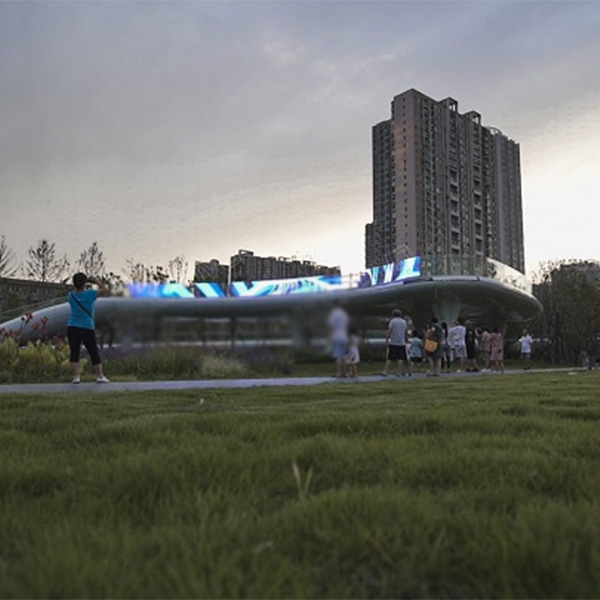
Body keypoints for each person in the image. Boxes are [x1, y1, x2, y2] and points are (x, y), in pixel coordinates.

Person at [67, 272, 110, 383]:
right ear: (85, 283)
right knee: (93, 351)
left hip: (72, 326)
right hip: (87, 326)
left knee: (74, 351)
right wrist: (96, 282)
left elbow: (76, 293)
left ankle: (76, 377)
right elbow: (105, 290)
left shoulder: (70, 296)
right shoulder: (90, 294)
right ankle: (100, 375)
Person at [383, 309, 411, 377]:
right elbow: (405, 332)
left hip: (393, 341)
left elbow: (390, 330)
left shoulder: (392, 321)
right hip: (401, 342)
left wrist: (387, 339)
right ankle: (398, 371)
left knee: (390, 358)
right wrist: (406, 339)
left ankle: (386, 371)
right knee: (400, 358)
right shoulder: (404, 322)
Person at [327, 301, 349, 378]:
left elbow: (331, 326)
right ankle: (344, 372)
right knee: (344, 356)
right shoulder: (344, 314)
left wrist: (329, 336)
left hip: (336, 336)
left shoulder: (333, 314)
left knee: (337, 355)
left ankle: (339, 372)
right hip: (344, 336)